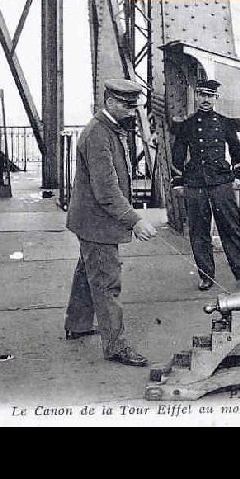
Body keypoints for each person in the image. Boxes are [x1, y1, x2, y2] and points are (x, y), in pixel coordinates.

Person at [64, 78, 158, 367]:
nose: (132, 112)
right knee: (107, 283)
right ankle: (116, 347)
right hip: (97, 223)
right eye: (127, 106)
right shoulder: (98, 135)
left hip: (89, 221)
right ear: (110, 102)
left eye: (134, 106)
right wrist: (135, 220)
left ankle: (77, 324)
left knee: (87, 272)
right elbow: (106, 191)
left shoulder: (105, 129)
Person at [171, 79, 240, 291]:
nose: (205, 100)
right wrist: (178, 181)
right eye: (202, 95)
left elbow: (237, 152)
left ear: (216, 98)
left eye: (210, 96)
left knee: (231, 229)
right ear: (196, 97)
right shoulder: (187, 126)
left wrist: (238, 176)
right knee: (198, 231)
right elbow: (177, 156)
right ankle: (205, 276)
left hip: (221, 183)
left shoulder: (225, 123)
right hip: (195, 184)